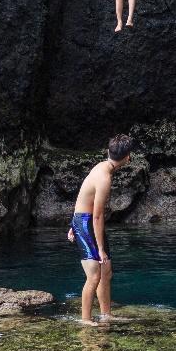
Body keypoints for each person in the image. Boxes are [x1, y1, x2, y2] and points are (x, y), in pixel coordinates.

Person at [67, 134, 134, 323]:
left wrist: (73, 222)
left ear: (108, 152)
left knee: (106, 270)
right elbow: (97, 216)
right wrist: (100, 248)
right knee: (95, 273)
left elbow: (82, 195)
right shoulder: (104, 177)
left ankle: (106, 315)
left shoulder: (101, 167)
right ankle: (85, 319)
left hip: (83, 220)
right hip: (86, 222)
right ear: (127, 157)